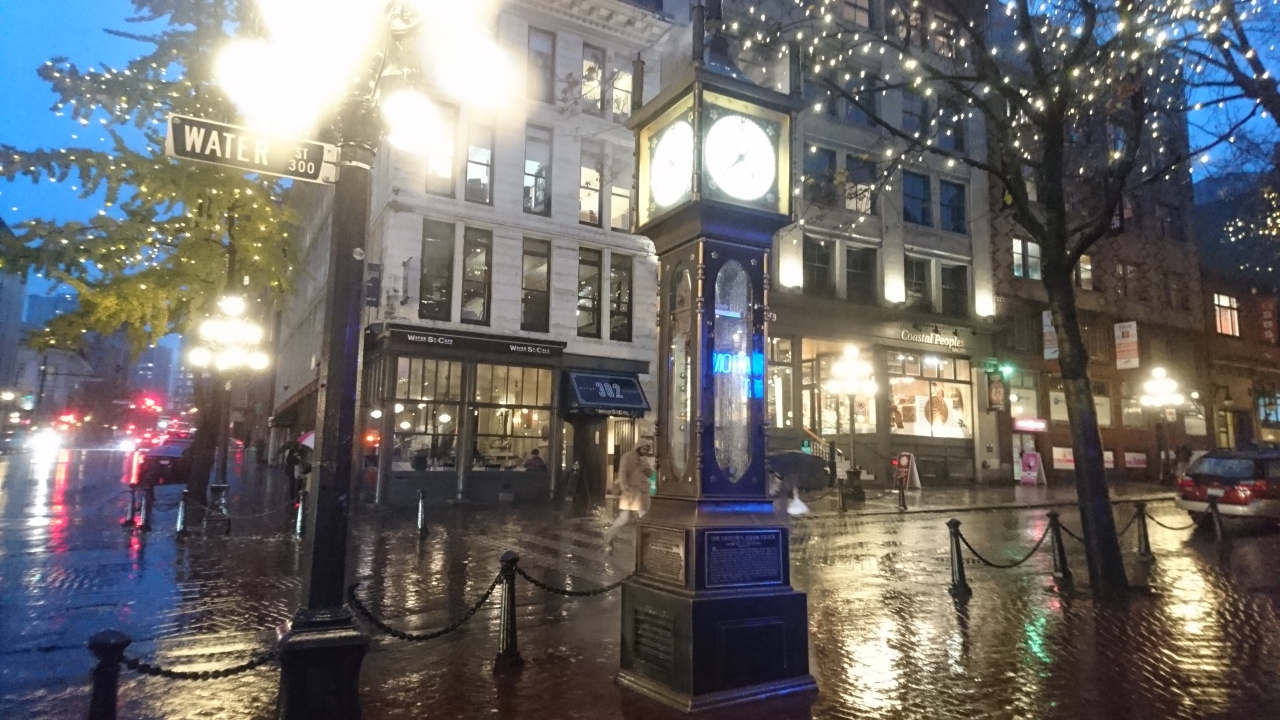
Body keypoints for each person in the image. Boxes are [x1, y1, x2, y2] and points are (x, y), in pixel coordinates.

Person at [604, 441, 653, 550]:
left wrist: (647, 469)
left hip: (642, 492)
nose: (645, 451)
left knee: (642, 517)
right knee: (626, 518)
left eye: (647, 449)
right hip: (631, 492)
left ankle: (639, 543)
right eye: (644, 449)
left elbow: (651, 474)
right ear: (638, 447)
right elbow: (622, 474)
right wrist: (625, 488)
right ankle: (609, 536)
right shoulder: (627, 457)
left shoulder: (644, 459)